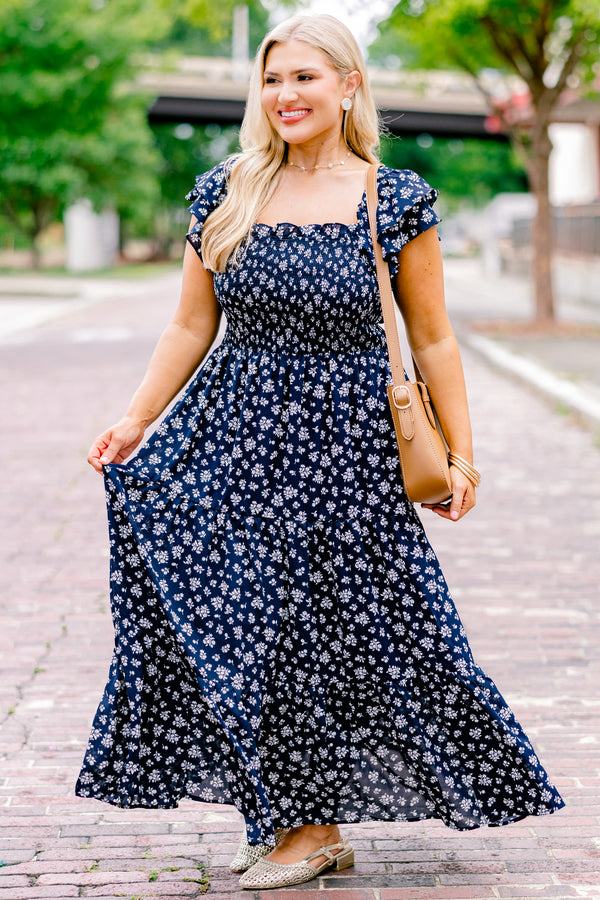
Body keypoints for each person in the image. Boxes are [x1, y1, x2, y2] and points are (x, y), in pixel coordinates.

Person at [75, 13, 564, 892]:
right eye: (272, 80)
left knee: (345, 630)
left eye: (304, 77)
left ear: (348, 86)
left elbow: (436, 340)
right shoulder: (227, 191)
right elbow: (191, 323)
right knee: (248, 626)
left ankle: (313, 827)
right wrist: (137, 419)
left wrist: (463, 457)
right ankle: (293, 818)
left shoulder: (393, 197)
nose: (285, 95)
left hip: (349, 453)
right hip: (235, 439)